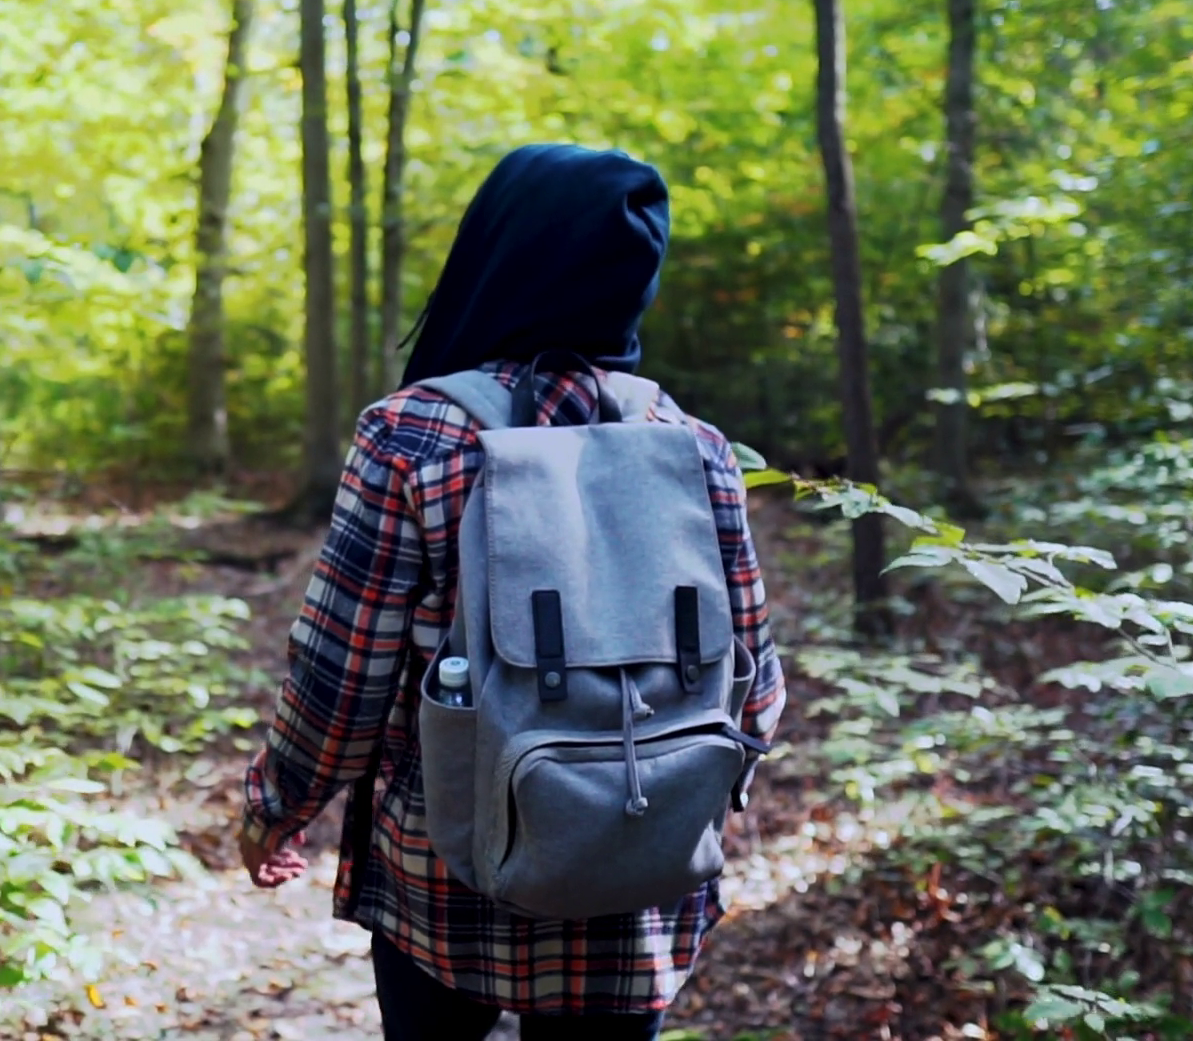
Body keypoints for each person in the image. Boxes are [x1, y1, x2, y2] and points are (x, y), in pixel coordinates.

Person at [236, 143, 786, 1041]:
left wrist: (277, 806)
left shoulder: (413, 435)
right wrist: (679, 793)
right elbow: (752, 678)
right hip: (639, 865)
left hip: (446, 874)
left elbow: (342, 676)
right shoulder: (692, 444)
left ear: (495, 250)